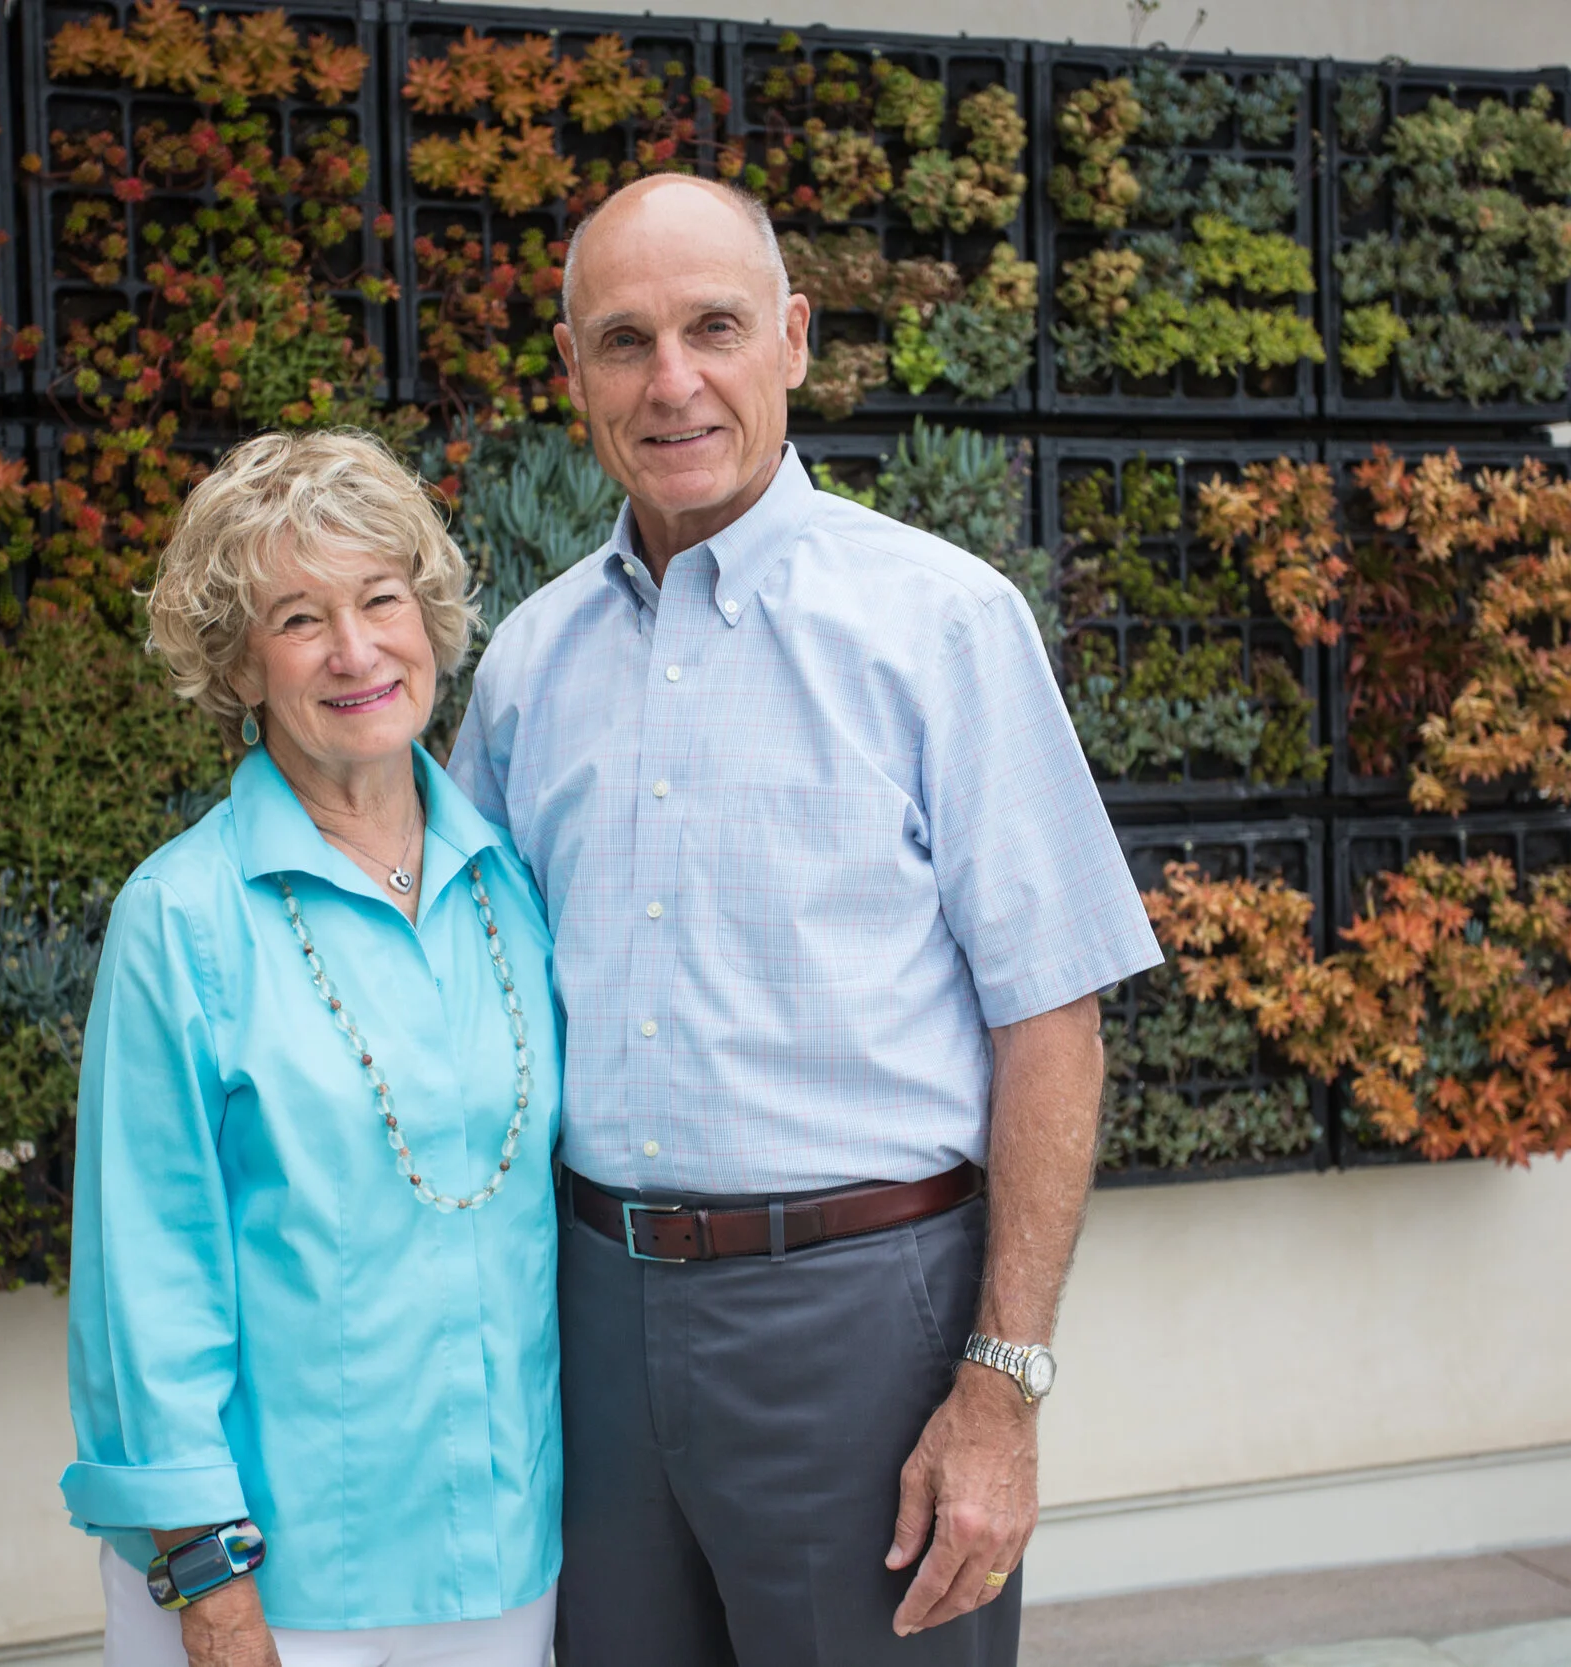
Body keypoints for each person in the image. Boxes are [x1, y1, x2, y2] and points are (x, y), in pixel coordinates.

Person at [446, 175, 1163, 1667]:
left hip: (866, 1324)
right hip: (589, 1316)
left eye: (713, 328)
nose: (672, 382)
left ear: (792, 338)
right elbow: (473, 1007)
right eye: (625, 340)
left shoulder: (943, 624)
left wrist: (1002, 1387)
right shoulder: (525, 665)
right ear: (574, 369)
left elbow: (1054, 1019)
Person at [62, 430, 565, 1667]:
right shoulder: (180, 917)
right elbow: (146, 1273)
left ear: (428, 617)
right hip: (271, 1577)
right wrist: (205, 1573)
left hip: (503, 1555)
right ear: (239, 663)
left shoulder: (512, 882)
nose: (355, 649)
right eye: (298, 618)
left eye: (381, 598)